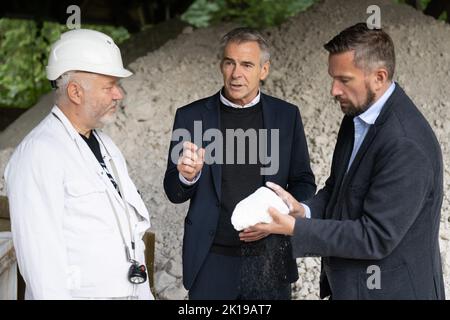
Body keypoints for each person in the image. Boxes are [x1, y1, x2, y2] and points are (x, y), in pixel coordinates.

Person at [252, 23, 445, 300]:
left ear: (379, 77)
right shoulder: (357, 114)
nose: (333, 90)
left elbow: (375, 236)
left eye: (344, 80)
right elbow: (338, 189)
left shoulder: (406, 144)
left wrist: (295, 229)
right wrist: (302, 211)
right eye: (333, 78)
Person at [163, 27, 316, 300]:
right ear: (221, 65)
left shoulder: (287, 116)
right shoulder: (191, 117)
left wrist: (275, 214)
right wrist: (187, 177)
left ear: (264, 70)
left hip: (270, 257)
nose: (236, 74)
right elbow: (174, 192)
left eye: (247, 64)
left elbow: (304, 182)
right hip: (211, 260)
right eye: (230, 62)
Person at [4, 29, 154, 300]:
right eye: (109, 86)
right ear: (75, 91)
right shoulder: (39, 154)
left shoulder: (107, 147)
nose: (119, 94)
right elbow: (42, 265)